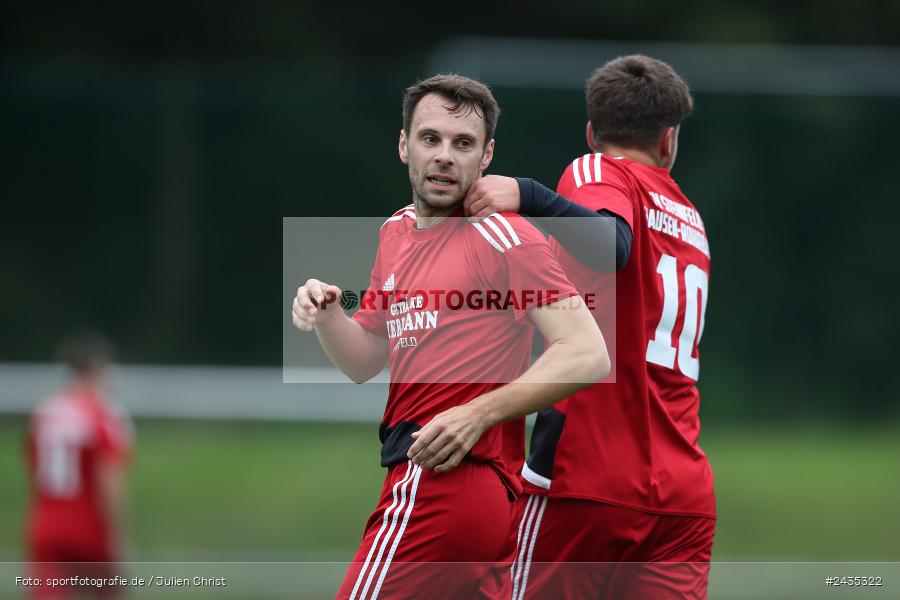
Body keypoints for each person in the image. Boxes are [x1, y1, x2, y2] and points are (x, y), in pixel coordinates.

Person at [290, 74, 609, 600]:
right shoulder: (395, 232)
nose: (444, 156)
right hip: (456, 497)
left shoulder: (503, 236)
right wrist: (328, 316)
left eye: (463, 144)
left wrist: (478, 412)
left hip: (444, 482)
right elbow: (366, 358)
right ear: (403, 145)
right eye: (430, 138)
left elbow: (587, 352)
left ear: (486, 157)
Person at [462, 55, 715, 599]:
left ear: (591, 133)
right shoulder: (691, 220)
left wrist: (529, 194)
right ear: (668, 139)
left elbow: (611, 245)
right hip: (682, 496)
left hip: (588, 476)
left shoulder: (596, 170)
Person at [25, 332, 133, 599]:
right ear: (96, 368)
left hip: (46, 524)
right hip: (89, 525)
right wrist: (118, 536)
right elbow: (108, 478)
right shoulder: (103, 414)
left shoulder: (45, 412)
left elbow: (35, 467)